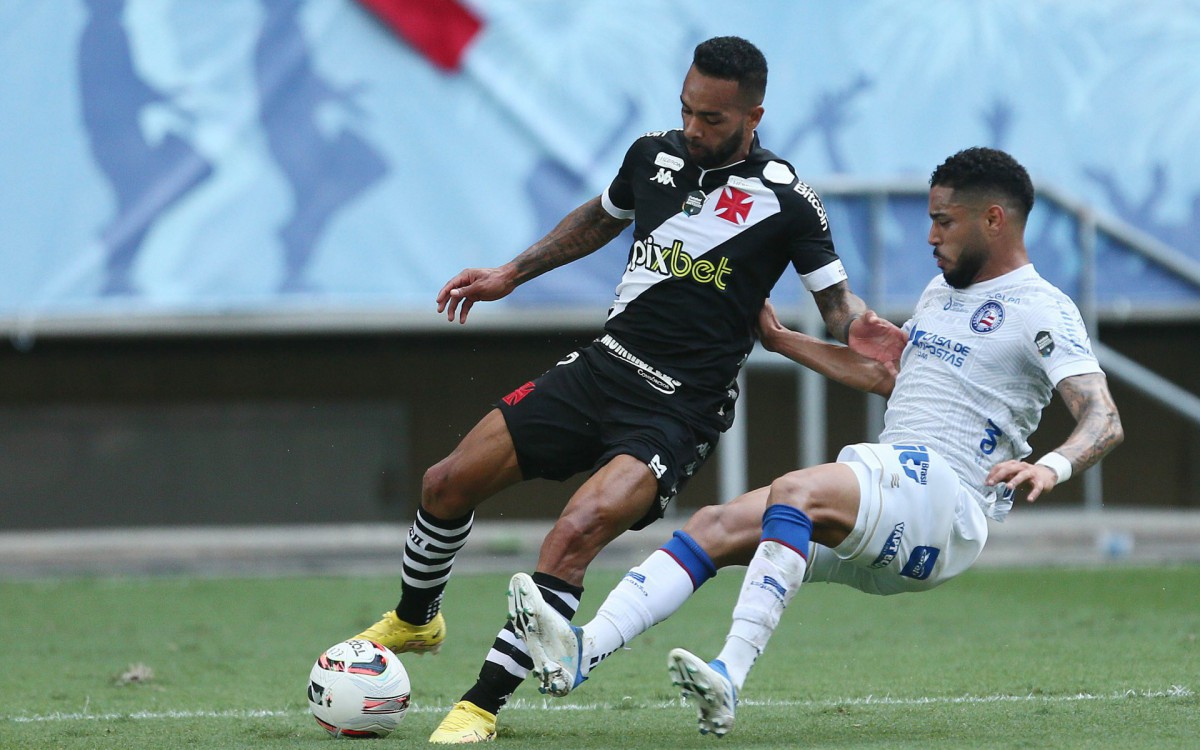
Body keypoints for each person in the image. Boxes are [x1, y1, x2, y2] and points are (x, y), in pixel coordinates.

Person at [349, 36, 900, 744]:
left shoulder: (789, 200)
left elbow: (838, 307)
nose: (694, 130)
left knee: (574, 532)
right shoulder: (652, 156)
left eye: (712, 120)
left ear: (753, 116)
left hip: (679, 409)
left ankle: (481, 704)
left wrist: (864, 329)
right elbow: (597, 219)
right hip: (602, 368)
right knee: (446, 482)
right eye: (687, 111)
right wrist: (508, 275)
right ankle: (418, 619)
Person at [508, 146, 1124, 737]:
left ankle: (729, 672)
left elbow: (1103, 416)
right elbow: (888, 376)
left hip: (949, 500)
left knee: (796, 491)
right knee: (714, 526)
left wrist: (1053, 466)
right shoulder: (941, 295)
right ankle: (584, 650)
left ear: (994, 219)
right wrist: (782, 341)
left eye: (943, 221)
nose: (931, 237)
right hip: (898, 507)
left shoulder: (1043, 308)